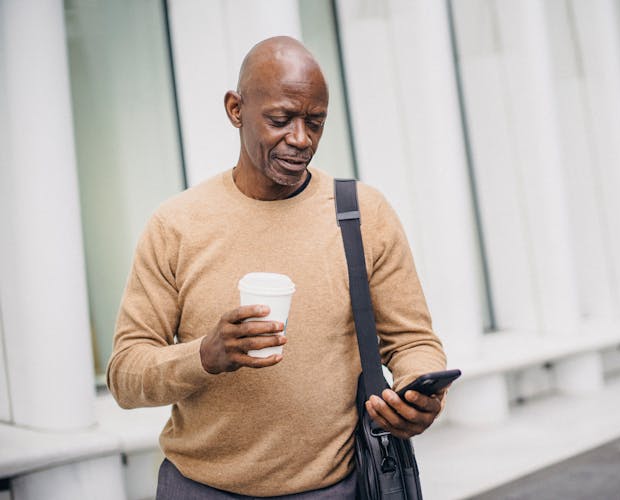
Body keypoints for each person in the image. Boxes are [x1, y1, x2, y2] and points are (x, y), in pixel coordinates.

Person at [107, 36, 448, 499]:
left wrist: (416, 391)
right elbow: (126, 375)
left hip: (335, 488)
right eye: (280, 119)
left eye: (316, 122)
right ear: (235, 109)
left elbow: (413, 342)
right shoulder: (176, 225)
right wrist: (205, 354)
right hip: (201, 489)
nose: (301, 139)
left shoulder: (362, 212)